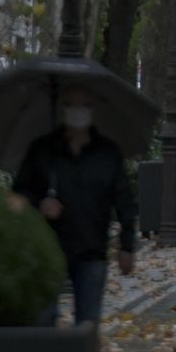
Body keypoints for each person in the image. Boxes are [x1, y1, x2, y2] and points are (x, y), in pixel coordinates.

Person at [12, 84, 137, 326]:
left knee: (87, 325)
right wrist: (40, 205)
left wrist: (127, 246)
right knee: (43, 321)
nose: (78, 111)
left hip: (92, 250)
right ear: (62, 108)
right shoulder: (43, 150)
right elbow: (19, 192)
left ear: (93, 110)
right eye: (72, 105)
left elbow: (124, 200)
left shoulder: (108, 152)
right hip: (48, 250)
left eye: (85, 105)